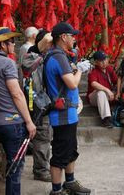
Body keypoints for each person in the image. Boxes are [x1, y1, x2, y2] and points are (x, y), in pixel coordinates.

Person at [0, 27, 36, 195]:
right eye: (11, 42)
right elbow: (17, 93)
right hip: (14, 122)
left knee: (12, 165)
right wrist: (29, 121)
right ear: (3, 45)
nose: (13, 44)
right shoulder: (7, 63)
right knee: (15, 169)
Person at [45, 22, 91, 195]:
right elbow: (71, 83)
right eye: (72, 35)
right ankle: (56, 191)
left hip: (68, 113)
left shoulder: (58, 56)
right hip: (62, 114)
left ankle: (70, 183)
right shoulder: (58, 57)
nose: (74, 38)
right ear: (63, 37)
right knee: (60, 154)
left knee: (71, 150)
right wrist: (79, 70)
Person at [21, 29, 54, 182]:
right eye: (49, 42)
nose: (52, 45)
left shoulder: (48, 56)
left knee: (45, 137)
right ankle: (40, 170)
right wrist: (43, 53)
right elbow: (27, 67)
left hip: (45, 104)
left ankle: (43, 167)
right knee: (41, 137)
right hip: (35, 104)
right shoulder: (31, 56)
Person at [87, 50, 119, 129]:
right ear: (96, 62)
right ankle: (106, 119)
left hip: (108, 96)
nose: (104, 62)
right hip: (94, 98)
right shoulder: (93, 71)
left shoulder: (109, 69)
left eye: (105, 59)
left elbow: (117, 80)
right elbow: (93, 83)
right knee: (101, 92)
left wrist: (118, 92)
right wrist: (107, 90)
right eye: (101, 61)